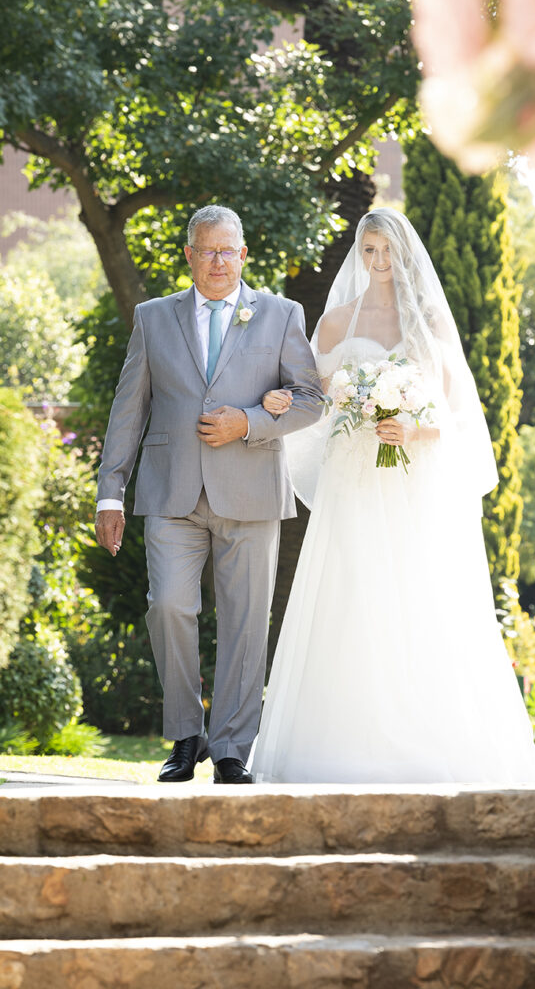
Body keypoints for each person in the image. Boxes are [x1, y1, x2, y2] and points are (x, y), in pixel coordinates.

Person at [251, 207, 535, 785]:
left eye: (387, 252)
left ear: (405, 256)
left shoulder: (429, 329)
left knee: (414, 595)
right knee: (349, 592)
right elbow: (312, 397)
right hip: (353, 480)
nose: (378, 262)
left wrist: (411, 430)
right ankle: (338, 744)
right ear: (359, 255)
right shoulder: (337, 322)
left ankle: (424, 736)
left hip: (413, 483)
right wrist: (280, 403)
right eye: (369, 252)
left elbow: (457, 422)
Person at [95, 205, 323, 784]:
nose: (219, 261)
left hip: (251, 490)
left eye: (229, 251)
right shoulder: (152, 318)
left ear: (244, 255)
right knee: (167, 605)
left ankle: (230, 748)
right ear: (190, 256)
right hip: (170, 493)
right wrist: (110, 494)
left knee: (247, 622)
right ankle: (185, 733)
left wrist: (248, 422)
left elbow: (310, 399)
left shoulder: (280, 313)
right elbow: (129, 410)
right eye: (207, 250)